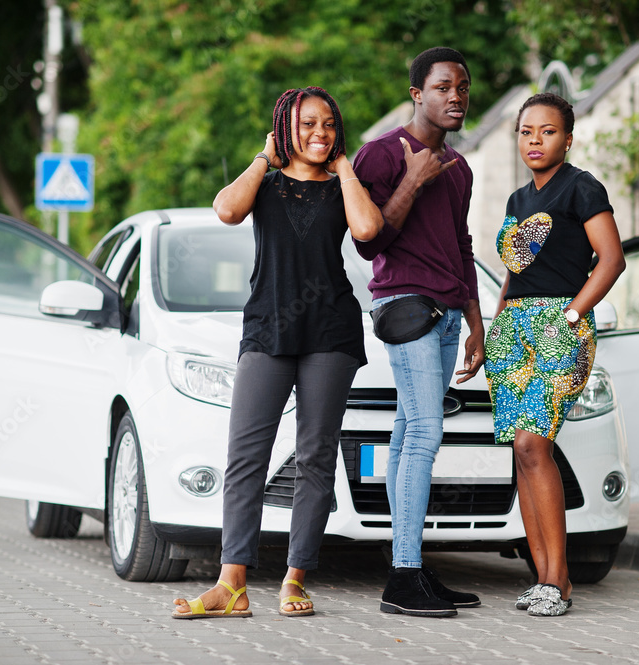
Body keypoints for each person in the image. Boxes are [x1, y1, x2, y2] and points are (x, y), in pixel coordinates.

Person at [172, 87, 383, 619]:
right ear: (285, 128)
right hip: (268, 329)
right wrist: (264, 155)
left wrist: (347, 169)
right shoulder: (263, 185)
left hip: (330, 333)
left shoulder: (343, 188)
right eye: (308, 123)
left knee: (315, 456)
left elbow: (368, 229)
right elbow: (225, 210)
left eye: (329, 124)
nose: (320, 132)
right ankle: (232, 584)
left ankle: (295, 578)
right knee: (246, 457)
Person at [352, 46, 485, 618]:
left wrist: (478, 320)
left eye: (462, 87)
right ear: (417, 94)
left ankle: (410, 565)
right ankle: (403, 578)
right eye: (442, 87)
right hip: (405, 307)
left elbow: (461, 246)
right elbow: (368, 242)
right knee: (426, 435)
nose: (455, 97)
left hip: (451, 312)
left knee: (408, 437)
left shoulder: (462, 169)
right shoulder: (378, 157)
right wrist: (411, 180)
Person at [485, 92, 626, 617]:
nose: (535, 140)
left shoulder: (581, 187)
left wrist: (571, 317)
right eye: (526, 132)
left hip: (559, 326)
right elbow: (513, 274)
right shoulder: (517, 201)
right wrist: (492, 331)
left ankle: (558, 579)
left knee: (533, 443)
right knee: (523, 454)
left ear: (568, 138)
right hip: (513, 330)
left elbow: (611, 260)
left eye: (547, 131)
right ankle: (544, 578)